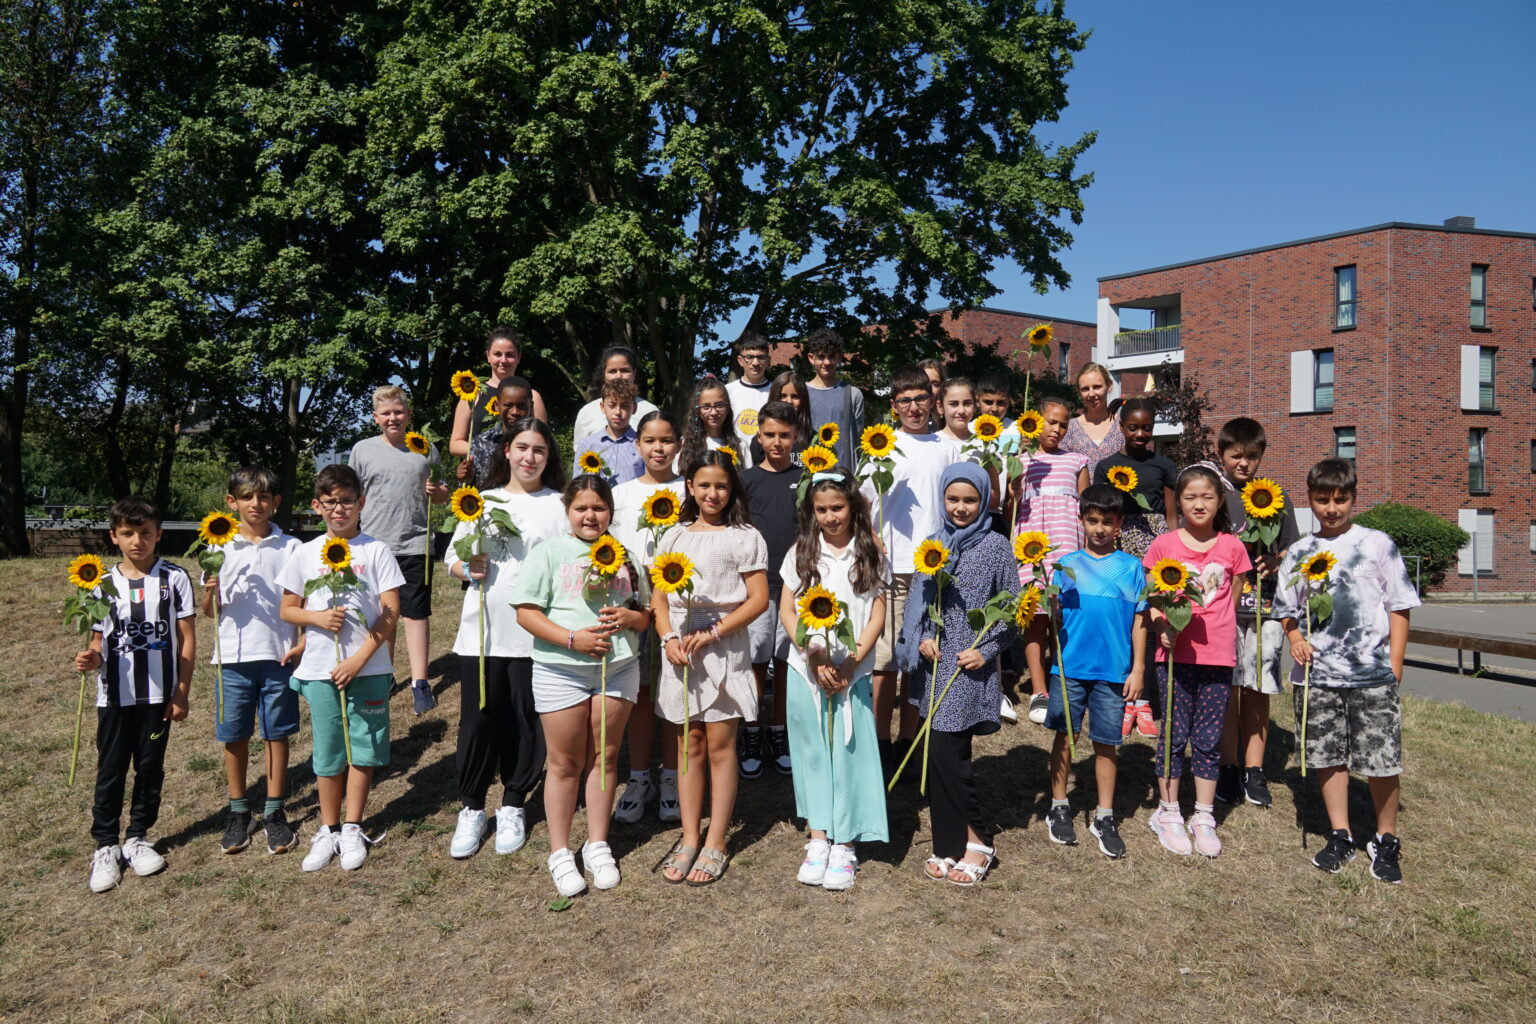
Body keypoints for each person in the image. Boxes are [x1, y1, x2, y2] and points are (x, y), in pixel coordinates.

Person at [1276, 458, 1418, 883]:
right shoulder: (1301, 552)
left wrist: (1395, 662)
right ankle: (1340, 833)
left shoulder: (1376, 544)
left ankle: (1385, 837)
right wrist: (1295, 638)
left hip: (1371, 673)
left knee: (1381, 760)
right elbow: (1286, 609)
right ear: (1310, 501)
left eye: (1341, 499)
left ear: (1354, 498)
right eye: (1322, 500)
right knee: (1328, 756)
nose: (1332, 508)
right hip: (1319, 676)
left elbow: (1399, 605)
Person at [509, 474, 650, 896]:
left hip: (618, 669)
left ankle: (597, 843)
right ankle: (559, 851)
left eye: (599, 508)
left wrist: (631, 619)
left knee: (605, 758)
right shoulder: (549, 553)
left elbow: (645, 615)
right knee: (565, 762)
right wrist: (574, 639)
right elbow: (526, 612)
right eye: (581, 509)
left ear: (610, 511)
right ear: (568, 512)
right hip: (561, 670)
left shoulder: (625, 556)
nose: (591, 516)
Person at [444, 419, 566, 860]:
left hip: (534, 634)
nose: (529, 457)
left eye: (538, 449)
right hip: (483, 631)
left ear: (548, 457)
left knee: (525, 720)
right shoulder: (483, 501)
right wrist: (466, 568)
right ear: (507, 452)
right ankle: (473, 807)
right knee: (478, 721)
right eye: (521, 448)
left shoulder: (559, 505)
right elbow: (451, 558)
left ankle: (514, 802)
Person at [898, 464, 1020, 885]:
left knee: (951, 753)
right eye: (953, 499)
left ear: (985, 499)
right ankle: (946, 844)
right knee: (936, 754)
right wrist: (922, 637)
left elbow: (1011, 613)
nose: (961, 508)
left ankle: (978, 838)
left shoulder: (996, 546)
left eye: (970, 500)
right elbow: (921, 600)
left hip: (967, 666)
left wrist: (985, 651)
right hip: (933, 666)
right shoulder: (933, 544)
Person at [278, 465, 404, 872]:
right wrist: (316, 619)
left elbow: (390, 611)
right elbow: (288, 608)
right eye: (330, 502)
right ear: (316, 506)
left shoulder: (375, 551)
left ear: (361, 504)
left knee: (363, 745)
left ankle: (352, 825)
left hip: (366, 667)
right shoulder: (303, 552)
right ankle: (328, 827)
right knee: (329, 748)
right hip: (319, 668)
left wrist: (358, 658)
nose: (339, 509)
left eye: (347, 501)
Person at [652, 451, 770, 886]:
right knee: (688, 747)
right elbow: (659, 599)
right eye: (703, 485)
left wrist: (716, 631)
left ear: (731, 488)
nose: (712, 493)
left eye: (720, 485)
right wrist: (667, 638)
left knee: (721, 747)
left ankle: (717, 839)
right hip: (681, 648)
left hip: (725, 645)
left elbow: (757, 599)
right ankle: (688, 836)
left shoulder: (745, 536)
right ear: (690, 487)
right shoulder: (673, 537)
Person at [76, 497, 196, 893]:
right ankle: (105, 844)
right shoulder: (101, 583)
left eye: (145, 532)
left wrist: (180, 692)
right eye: (128, 533)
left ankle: (138, 836)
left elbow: (187, 641)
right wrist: (91, 657)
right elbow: (97, 639)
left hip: (158, 697)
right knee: (110, 770)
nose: (137, 540)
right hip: (114, 697)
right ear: (114, 537)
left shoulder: (174, 579)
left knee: (150, 767)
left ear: (159, 533)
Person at [780, 470, 888, 890]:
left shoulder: (869, 552)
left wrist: (853, 659)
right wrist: (812, 653)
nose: (829, 517)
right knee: (812, 751)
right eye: (821, 509)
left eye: (837, 508)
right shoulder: (802, 553)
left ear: (854, 507)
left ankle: (846, 841)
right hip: (806, 668)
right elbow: (788, 608)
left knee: (849, 751)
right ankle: (819, 835)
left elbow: (877, 609)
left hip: (852, 670)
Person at [1140, 464, 1250, 859]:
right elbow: (1151, 601)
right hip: (1174, 656)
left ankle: (1203, 814)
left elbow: (1233, 597)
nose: (1199, 504)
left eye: (1207, 496)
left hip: (1218, 656)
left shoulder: (1232, 547)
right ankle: (1167, 811)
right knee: (1174, 733)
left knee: (1208, 736)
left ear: (1221, 500)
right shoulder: (1164, 546)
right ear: (1179, 501)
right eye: (1190, 497)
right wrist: (1161, 625)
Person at [198, 466, 304, 857]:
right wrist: (210, 592)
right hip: (232, 658)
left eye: (263, 498)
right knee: (234, 735)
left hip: (278, 656)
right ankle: (239, 810)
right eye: (246, 497)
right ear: (232, 503)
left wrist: (302, 642)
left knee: (277, 734)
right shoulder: (217, 547)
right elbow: (210, 611)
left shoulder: (292, 547)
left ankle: (274, 812)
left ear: (276, 502)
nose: (255, 504)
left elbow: (302, 603)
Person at [1042, 486, 1148, 859]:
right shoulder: (1065, 566)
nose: (1099, 528)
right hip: (1069, 667)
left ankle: (1104, 815)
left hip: (1113, 672)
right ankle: (1058, 805)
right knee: (1064, 736)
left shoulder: (1132, 568)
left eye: (1107, 522)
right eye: (1093, 520)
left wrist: (1137, 669)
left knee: (1107, 743)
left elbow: (1139, 622)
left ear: (1119, 524)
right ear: (1082, 520)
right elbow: (1055, 620)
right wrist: (1050, 605)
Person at [865, 366, 960, 768]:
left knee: (920, 661)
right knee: (885, 661)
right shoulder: (883, 447)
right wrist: (873, 541)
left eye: (921, 398)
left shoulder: (947, 447)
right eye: (904, 400)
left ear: (932, 401)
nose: (914, 407)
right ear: (893, 406)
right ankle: (878, 742)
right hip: (893, 568)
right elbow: (862, 506)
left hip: (936, 568)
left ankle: (909, 738)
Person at [1215, 416, 1301, 809]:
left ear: (1262, 456)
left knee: (1259, 686)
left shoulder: (1275, 496)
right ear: (1222, 455)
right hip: (1224, 606)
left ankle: (1255, 768)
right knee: (1229, 686)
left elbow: (1291, 550)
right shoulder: (1215, 493)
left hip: (1265, 607)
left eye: (1251, 456)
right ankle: (1228, 765)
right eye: (1236, 456)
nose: (1244, 464)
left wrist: (1275, 558)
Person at [348, 385, 450, 715]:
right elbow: (351, 494)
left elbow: (444, 493)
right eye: (386, 413)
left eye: (399, 412)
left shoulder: (424, 449)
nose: (393, 418)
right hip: (375, 545)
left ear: (408, 415)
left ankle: (420, 681)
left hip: (415, 543)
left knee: (415, 613)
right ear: (375, 417)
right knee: (382, 614)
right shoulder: (363, 450)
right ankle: (383, 674)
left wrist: (437, 492)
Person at [609, 411, 686, 825]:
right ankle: (639, 777)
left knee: (674, 697)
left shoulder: (689, 490)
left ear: (678, 445)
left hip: (679, 609)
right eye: (650, 441)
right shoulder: (621, 495)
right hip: (635, 609)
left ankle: (672, 777)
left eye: (667, 440)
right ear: (637, 446)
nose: (659, 448)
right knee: (638, 695)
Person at [1092, 397, 1177, 739]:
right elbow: (1102, 508)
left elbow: (1171, 512)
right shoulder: (1106, 466)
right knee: (1124, 615)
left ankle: (1146, 701)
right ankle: (1125, 698)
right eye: (1133, 427)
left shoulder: (1164, 465)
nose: (1140, 433)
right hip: (1120, 540)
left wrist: (1173, 546)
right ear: (1121, 427)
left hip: (1155, 542)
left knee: (1152, 616)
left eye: (1146, 428)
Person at [1012, 395, 1090, 725]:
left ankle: (1063, 683)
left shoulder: (1078, 460)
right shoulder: (1020, 460)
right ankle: (1039, 690)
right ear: (1034, 420)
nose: (1056, 429)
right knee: (1035, 618)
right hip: (1031, 548)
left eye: (1063, 424)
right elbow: (1010, 507)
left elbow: (1087, 511)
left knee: (1065, 619)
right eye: (1050, 421)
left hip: (1067, 549)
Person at [739, 401, 802, 778]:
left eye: (784, 435)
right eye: (770, 435)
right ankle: (751, 730)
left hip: (794, 586)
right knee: (756, 660)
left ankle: (779, 732)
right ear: (759, 436)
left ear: (794, 436)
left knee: (785, 660)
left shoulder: (806, 475)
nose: (776, 442)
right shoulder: (746, 480)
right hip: (758, 586)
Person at [449, 326, 550, 460]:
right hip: (480, 476)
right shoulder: (472, 395)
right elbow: (455, 444)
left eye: (509, 355)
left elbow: (543, 441)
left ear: (519, 357)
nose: (503, 360)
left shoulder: (532, 397)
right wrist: (487, 448)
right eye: (497, 354)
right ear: (488, 356)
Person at [802, 328, 865, 470]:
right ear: (811, 358)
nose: (827, 362)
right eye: (821, 356)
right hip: (808, 473)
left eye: (831, 356)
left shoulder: (852, 395)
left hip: (844, 475)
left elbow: (858, 440)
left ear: (839, 358)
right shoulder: (800, 393)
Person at [571, 345, 659, 441]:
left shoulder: (650, 412)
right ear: (603, 375)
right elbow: (580, 452)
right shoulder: (587, 413)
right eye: (612, 371)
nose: (618, 376)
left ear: (634, 373)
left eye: (624, 370)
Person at [570, 378, 645, 485]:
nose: (618, 412)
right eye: (612, 405)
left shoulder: (642, 445)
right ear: (602, 407)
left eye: (624, 406)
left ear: (634, 408)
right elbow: (578, 485)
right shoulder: (587, 444)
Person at [1060, 363, 1124, 479]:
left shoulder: (1123, 424)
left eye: (1097, 387)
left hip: (1118, 495)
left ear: (1109, 386)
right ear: (1079, 392)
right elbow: (1061, 466)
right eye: (1085, 389)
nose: (1091, 394)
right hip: (1081, 495)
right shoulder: (1070, 428)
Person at [466, 376, 534, 485]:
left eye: (521, 406)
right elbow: (470, 486)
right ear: (497, 406)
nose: (515, 412)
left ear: (531, 406)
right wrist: (465, 476)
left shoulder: (540, 444)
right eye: (508, 405)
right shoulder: (482, 442)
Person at [679, 376, 750, 471]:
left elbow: (748, 482)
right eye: (706, 406)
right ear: (697, 410)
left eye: (719, 405)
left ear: (728, 407)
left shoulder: (741, 446)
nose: (713, 412)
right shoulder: (684, 445)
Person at [750, 370, 812, 466]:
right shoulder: (761, 441)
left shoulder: (813, 439)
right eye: (782, 396)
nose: (789, 401)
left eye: (795, 396)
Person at [724, 332, 774, 443]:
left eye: (761, 357)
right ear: (740, 360)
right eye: (749, 357)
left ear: (768, 360)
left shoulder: (777, 392)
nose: (755, 363)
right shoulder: (726, 392)